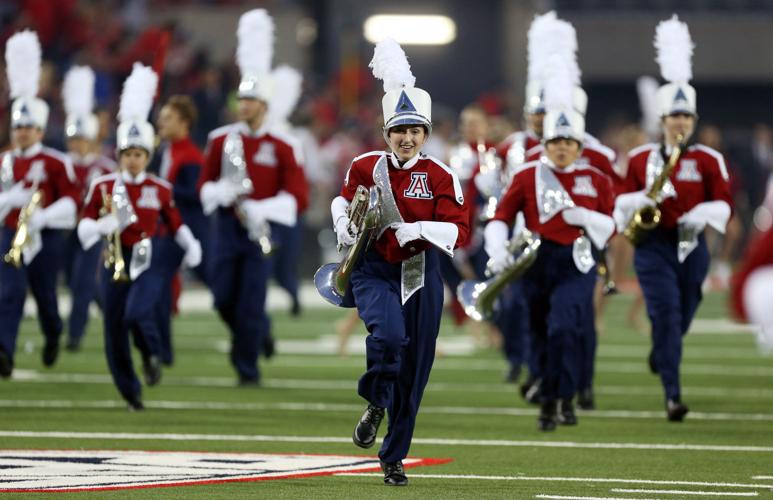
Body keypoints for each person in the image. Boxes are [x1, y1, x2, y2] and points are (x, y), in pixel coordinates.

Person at [332, 38, 469, 486]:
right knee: (388, 335)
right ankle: (375, 402)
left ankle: (393, 456)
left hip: (421, 275)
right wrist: (342, 223)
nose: (406, 138)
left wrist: (422, 230)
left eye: (414, 131)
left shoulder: (442, 175)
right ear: (385, 131)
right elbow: (344, 200)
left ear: (426, 134)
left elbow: (460, 230)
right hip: (374, 270)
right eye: (398, 130)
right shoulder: (365, 165)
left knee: (414, 373)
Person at [484, 48, 615, 431]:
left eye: (568, 141)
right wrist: (497, 250)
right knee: (539, 331)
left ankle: (561, 397)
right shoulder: (527, 174)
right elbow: (501, 215)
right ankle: (549, 393)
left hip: (577, 262)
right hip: (534, 262)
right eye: (554, 141)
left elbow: (609, 229)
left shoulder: (597, 178)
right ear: (546, 143)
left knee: (564, 327)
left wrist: (586, 217)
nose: (560, 147)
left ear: (578, 145)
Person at [614, 16, 732, 421]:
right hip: (652, 245)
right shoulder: (642, 158)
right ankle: (673, 394)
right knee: (665, 311)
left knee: (685, 310)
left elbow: (724, 206)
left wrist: (698, 215)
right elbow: (618, 204)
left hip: (692, 245)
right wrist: (643, 197)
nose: (680, 122)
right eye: (673, 116)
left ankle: (662, 351)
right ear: (662, 120)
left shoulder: (708, 159)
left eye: (686, 116)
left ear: (693, 121)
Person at [77, 63, 201, 410]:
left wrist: (190, 244)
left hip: (146, 258)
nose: (133, 160)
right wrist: (101, 227)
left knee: (135, 314)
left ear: (147, 156)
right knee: (113, 330)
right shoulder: (103, 186)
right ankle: (130, 391)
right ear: (119, 155)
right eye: (127, 154)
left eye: (139, 154)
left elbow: (174, 221)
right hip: (114, 259)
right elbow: (84, 226)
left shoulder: (158, 188)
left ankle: (150, 355)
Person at [198, 9, 308, 385]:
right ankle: (258, 331)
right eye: (240, 99)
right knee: (221, 298)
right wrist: (221, 192)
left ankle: (248, 370)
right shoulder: (220, 139)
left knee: (250, 300)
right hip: (228, 228)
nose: (243, 105)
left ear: (264, 104)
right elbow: (204, 186)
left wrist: (261, 207)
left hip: (262, 230)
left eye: (250, 100)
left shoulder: (283, 144)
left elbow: (297, 196)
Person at [0, 31, 79, 377]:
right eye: (18, 127)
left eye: (29, 127)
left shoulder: (56, 162)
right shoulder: (3, 161)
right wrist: (8, 200)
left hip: (46, 239)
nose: (22, 133)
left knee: (46, 297)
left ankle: (52, 334)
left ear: (41, 130)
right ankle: (4, 351)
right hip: (8, 235)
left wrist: (44, 216)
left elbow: (73, 203)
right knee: (9, 293)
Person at [61, 65, 116, 352]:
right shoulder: (61, 164)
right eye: (73, 139)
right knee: (72, 279)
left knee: (83, 280)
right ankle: (111, 311)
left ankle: (74, 334)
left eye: (81, 139)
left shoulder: (105, 168)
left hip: (92, 231)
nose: (77, 144)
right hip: (64, 230)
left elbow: (112, 202)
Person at [154, 94, 209, 365]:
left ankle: (257, 334)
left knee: (221, 293)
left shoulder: (191, 156)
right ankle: (163, 351)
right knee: (159, 288)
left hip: (193, 233)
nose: (161, 123)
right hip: (170, 232)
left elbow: (196, 195)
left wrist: (162, 190)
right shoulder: (166, 151)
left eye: (168, 118)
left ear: (184, 122)